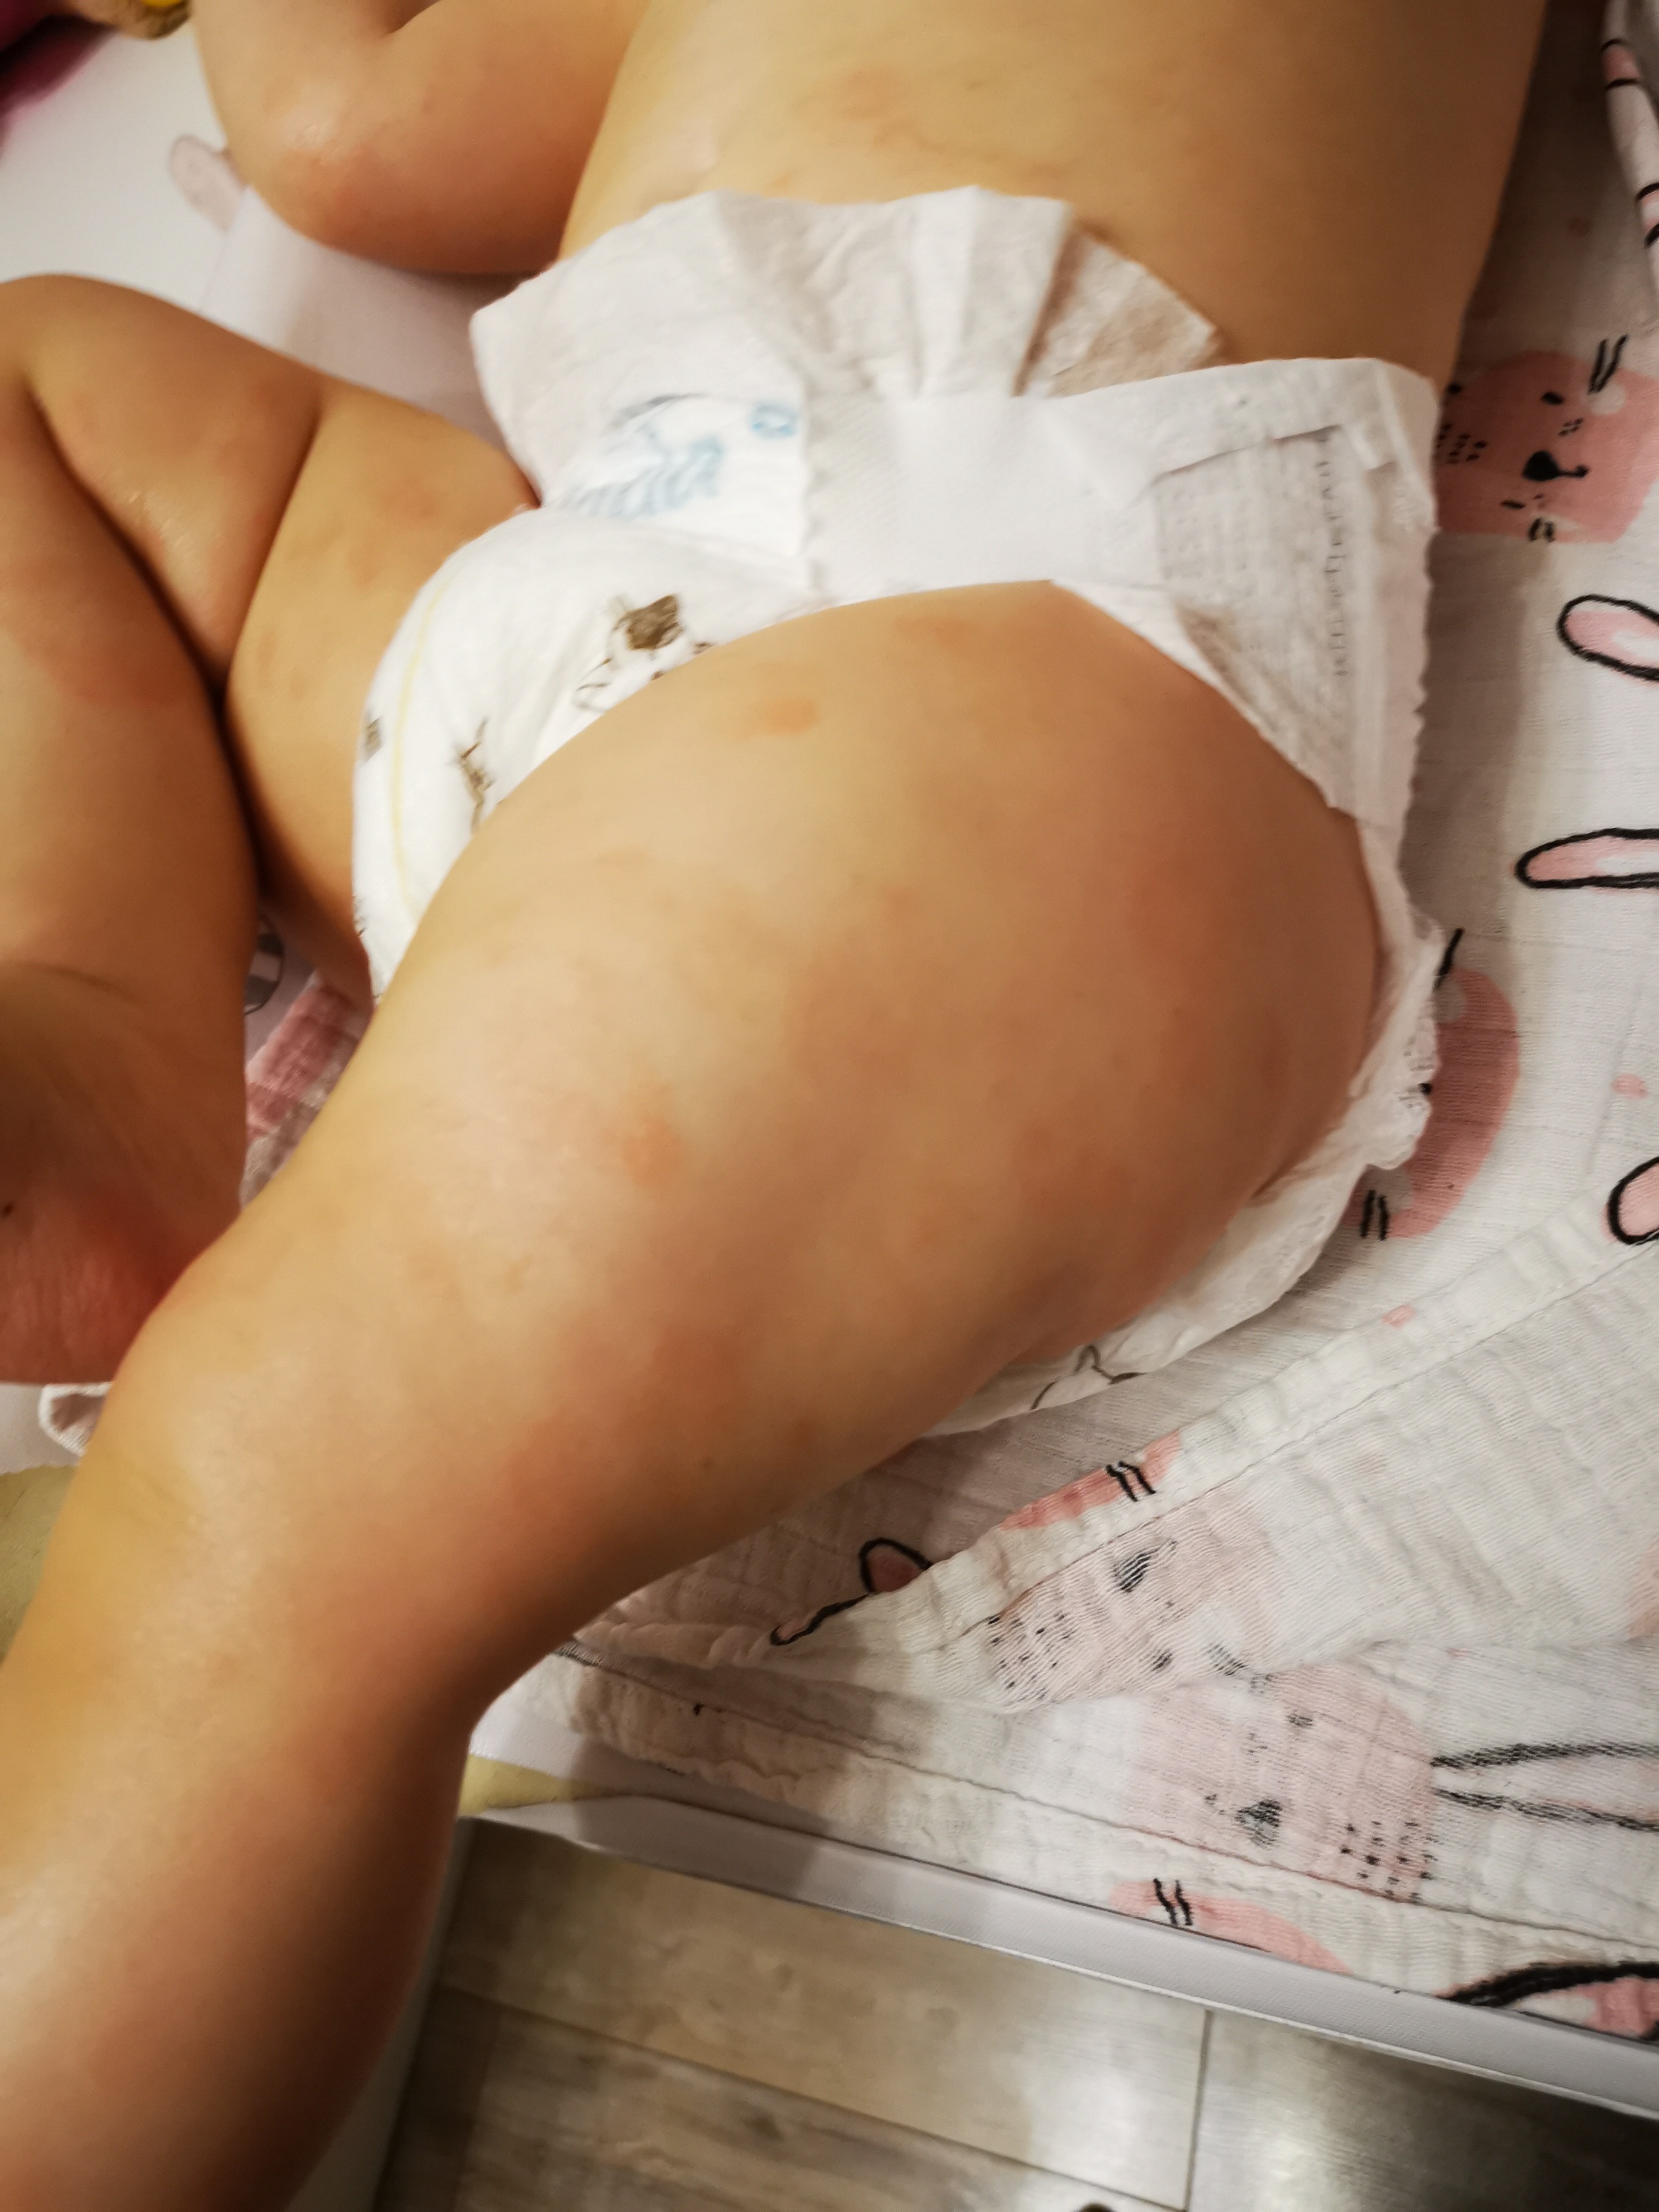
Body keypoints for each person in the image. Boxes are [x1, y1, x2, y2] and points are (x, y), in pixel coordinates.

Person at [0, 3, 1545, 2203]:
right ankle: (102, 1035)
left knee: (267, 1519)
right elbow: (356, 125)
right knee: (36, 375)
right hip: (587, 597)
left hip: (1016, 665)